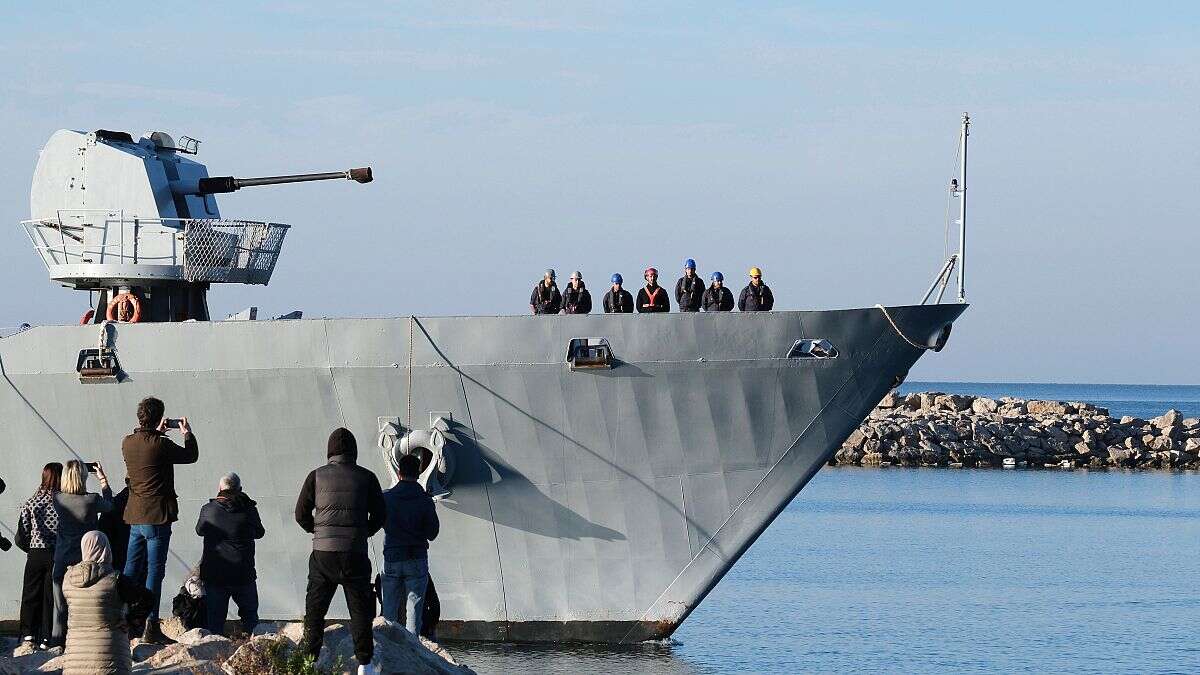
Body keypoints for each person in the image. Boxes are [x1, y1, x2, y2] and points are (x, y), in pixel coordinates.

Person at [296, 428, 386, 674]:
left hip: (323, 553)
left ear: (329, 451)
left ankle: (310, 662)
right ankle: (364, 665)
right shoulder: (367, 477)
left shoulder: (315, 476)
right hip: (354, 553)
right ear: (354, 452)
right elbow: (380, 514)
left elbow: (300, 514)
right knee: (360, 611)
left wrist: (316, 531)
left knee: (315, 609)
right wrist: (364, 532)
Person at [121, 397, 198, 644]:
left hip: (135, 515)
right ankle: (150, 625)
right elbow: (190, 456)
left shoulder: (127, 442)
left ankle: (124, 618)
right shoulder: (161, 444)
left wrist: (157, 432)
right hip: (157, 516)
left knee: (131, 570)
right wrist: (186, 433)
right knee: (155, 572)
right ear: (159, 418)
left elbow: (146, 450)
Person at [61, 531, 152, 675]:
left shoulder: (68, 579)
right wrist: (131, 621)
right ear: (106, 549)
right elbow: (147, 598)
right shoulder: (115, 579)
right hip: (110, 657)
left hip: (75, 659)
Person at [51, 460, 113, 646]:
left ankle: (57, 643)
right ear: (84, 477)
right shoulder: (92, 500)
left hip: (62, 558)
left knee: (60, 606)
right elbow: (110, 506)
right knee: (87, 606)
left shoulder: (57, 498)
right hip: (85, 561)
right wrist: (103, 480)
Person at [196, 472, 265, 636]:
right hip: (243, 573)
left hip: (215, 575)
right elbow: (259, 533)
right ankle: (253, 652)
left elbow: (199, 530)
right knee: (250, 618)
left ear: (219, 488)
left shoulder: (207, 510)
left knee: (215, 620)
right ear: (240, 489)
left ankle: (215, 654)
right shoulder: (249, 510)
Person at [381, 454, 440, 636]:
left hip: (392, 557)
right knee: (414, 611)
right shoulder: (425, 500)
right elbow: (433, 533)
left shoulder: (386, 498)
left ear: (399, 473)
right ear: (419, 473)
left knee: (389, 609)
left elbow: (378, 522)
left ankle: (388, 648)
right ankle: (413, 649)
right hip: (416, 557)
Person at [16, 463, 62, 650]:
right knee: (50, 596)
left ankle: (28, 634)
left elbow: (22, 533)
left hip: (35, 553)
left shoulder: (32, 502)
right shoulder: (63, 502)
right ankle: (46, 637)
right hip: (56, 553)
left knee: (30, 594)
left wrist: (31, 548)